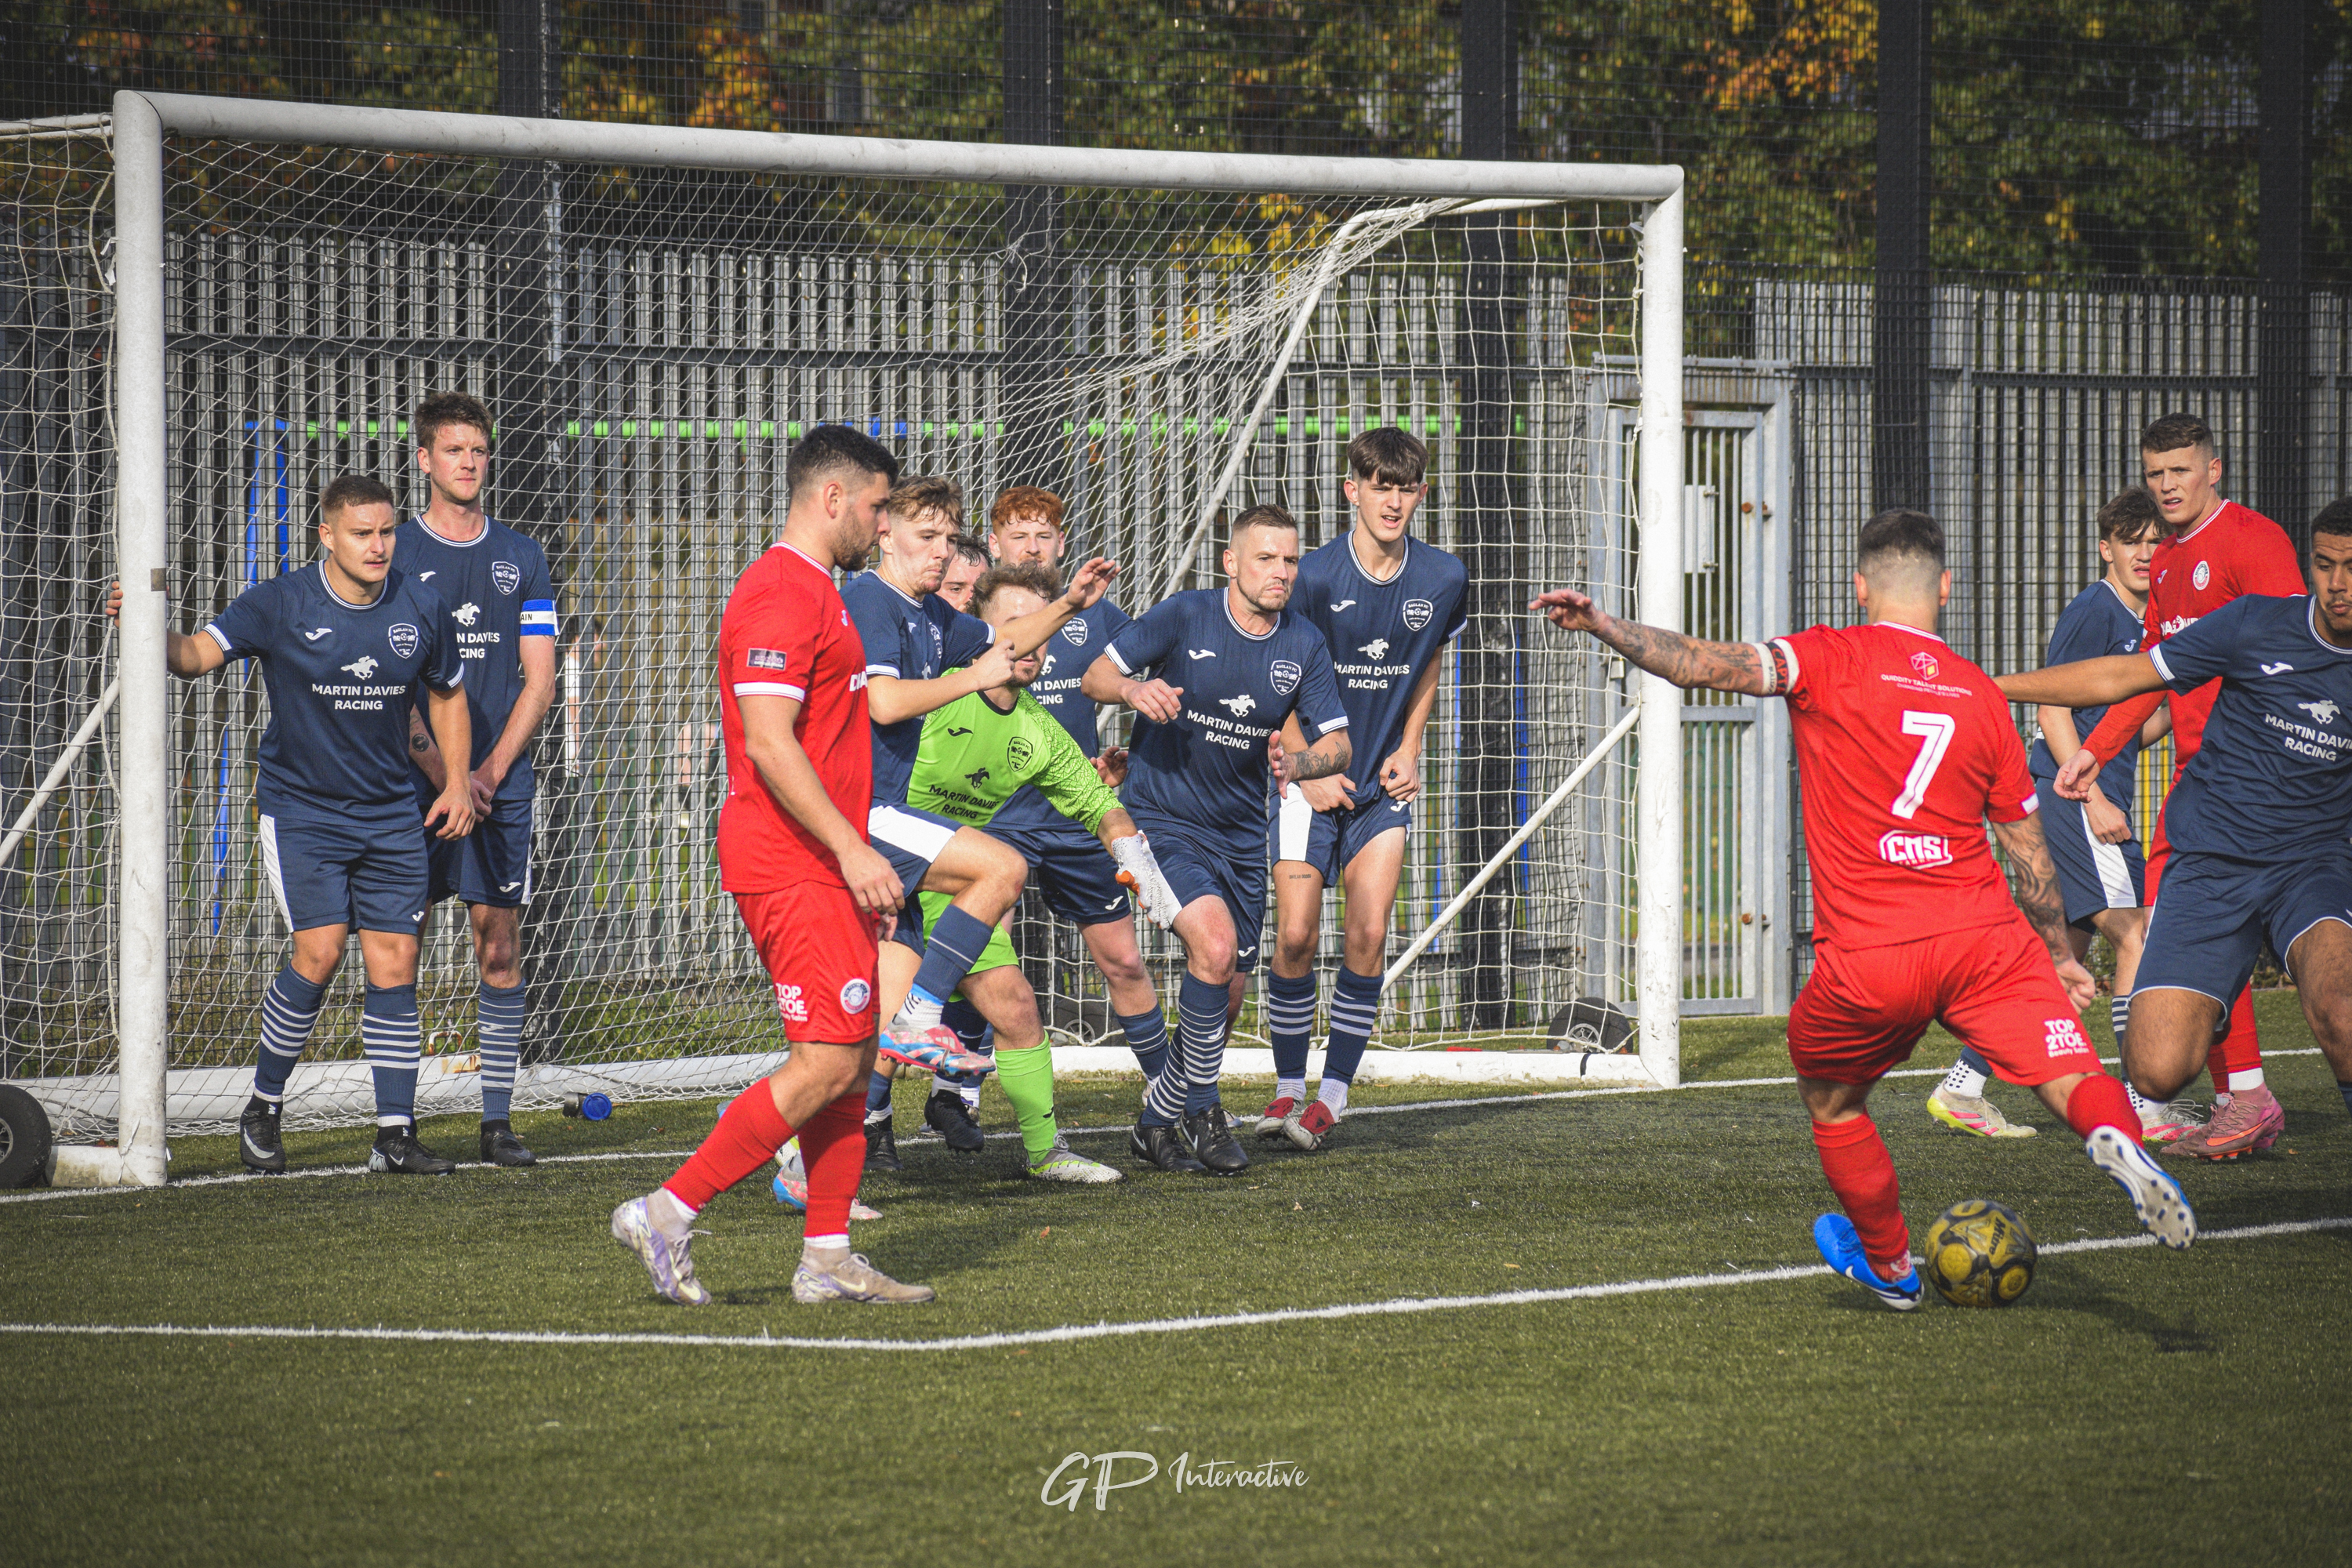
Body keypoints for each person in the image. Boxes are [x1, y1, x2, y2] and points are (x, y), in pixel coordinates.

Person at [1534, 508, 2194, 1311]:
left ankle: (1889, 1266)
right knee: (2069, 1072)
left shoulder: (1828, 656)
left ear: (1860, 585)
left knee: (1833, 1099)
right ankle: (2118, 1135)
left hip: (1873, 951)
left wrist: (1604, 621)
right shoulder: (1980, 694)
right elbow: (2028, 852)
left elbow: (1705, 664)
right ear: (1945, 589)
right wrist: (2057, 951)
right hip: (1982, 936)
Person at [610, 424, 942, 1308]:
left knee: (854, 1048)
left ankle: (826, 1253)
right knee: (830, 1060)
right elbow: (766, 741)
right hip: (790, 861)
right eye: (875, 506)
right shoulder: (781, 593)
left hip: (821, 861)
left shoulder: (821, 592)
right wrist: (851, 847)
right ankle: (667, 1209)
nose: (881, 525)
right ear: (831, 497)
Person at [109, 475, 474, 1174]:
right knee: (322, 951)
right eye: (362, 533)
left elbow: (448, 694)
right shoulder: (279, 603)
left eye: (387, 531)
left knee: (397, 964)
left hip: (393, 813)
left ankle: (395, 1134)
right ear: (326, 535)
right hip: (302, 811)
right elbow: (192, 658)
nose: (378, 545)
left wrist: (456, 781)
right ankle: (263, 1106)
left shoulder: (421, 604)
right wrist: (146, 626)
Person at [2008, 500, 2352, 1142]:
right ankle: (2224, 1033)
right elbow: (2129, 678)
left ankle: (2245, 1089)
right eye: (2326, 565)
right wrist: (1993, 687)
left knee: (2341, 1011)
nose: (2338, 584)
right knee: (2155, 1071)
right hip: (2209, 859)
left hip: (2309, 866)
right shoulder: (2252, 622)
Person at [843, 477, 1116, 1171]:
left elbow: (1009, 639)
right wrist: (972, 674)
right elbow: (882, 705)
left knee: (885, 1019)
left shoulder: (937, 620)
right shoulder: (874, 603)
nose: (941, 553)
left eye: (948, 538)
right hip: (864, 815)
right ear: (885, 534)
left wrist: (1069, 604)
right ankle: (920, 1028)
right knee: (1003, 866)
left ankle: (804, 1156)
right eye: (926, 537)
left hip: (906, 840)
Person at [2056, 414, 2306, 1159]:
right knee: (2185, 934)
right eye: (2156, 472)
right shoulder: (2164, 564)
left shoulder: (2255, 543)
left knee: (2231, 938)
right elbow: (2154, 674)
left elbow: (2300, 649)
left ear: (2214, 470)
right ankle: (2244, 1096)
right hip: (2204, 782)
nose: (2167, 485)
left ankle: (2245, 1097)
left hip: (2259, 779)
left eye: (2181, 471)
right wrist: (2097, 752)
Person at [1082, 504, 1352, 1175]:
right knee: (1215, 944)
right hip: (1159, 823)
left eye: (1291, 560)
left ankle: (1154, 1121)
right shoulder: (1185, 615)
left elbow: (1340, 744)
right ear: (1231, 562)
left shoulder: (1304, 645)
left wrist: (1300, 764)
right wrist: (1133, 692)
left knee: (1227, 990)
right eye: (1266, 558)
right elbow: (1095, 675)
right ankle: (1203, 1111)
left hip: (1239, 838)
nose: (1281, 572)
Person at [899, 560, 1184, 1182]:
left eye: (1044, 629)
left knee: (1019, 1009)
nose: (1033, 642)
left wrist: (1146, 875)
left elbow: (1099, 805)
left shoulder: (1039, 730)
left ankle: (1045, 1152)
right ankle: (821, 1145)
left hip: (951, 890)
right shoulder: (937, 691)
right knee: (858, 1036)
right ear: (981, 631)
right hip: (882, 874)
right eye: (1016, 625)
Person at [1927, 488, 2187, 1140]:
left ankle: (1962, 1087)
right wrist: (2093, 798)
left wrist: (2179, 712)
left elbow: (2126, 727)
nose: (2145, 555)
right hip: (2076, 803)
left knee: (2052, 970)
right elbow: (2052, 707)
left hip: (2082, 799)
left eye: (2156, 543)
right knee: (2138, 935)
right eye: (2132, 542)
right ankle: (2143, 1104)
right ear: (2106, 548)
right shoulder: (2095, 610)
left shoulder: (2146, 621)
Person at [1262, 427, 1466, 1151]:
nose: (1393, 500)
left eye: (1406, 487)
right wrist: (1304, 768)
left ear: (1420, 494)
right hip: (1309, 781)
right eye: (1379, 484)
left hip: (1383, 787)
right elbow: (1277, 674)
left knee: (1370, 932)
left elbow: (1428, 662)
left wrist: (1412, 747)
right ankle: (1286, 1087)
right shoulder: (1311, 576)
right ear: (1352, 489)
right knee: (1294, 935)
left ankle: (1331, 1098)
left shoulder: (1443, 577)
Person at [971, 485, 1174, 1114]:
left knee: (1122, 960)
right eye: (1017, 536)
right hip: (994, 816)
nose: (1031, 549)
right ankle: (956, 1092)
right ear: (993, 545)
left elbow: (1149, 679)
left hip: (1075, 811)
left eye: (1043, 537)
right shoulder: (972, 618)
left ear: (1061, 545)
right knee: (983, 951)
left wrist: (1128, 756)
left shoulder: (1100, 619)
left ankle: (1176, 1093)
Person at [396, 392, 559, 1168]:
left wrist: (486, 773)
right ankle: (399, 1127)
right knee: (404, 947)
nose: (469, 462)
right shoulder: (390, 550)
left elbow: (539, 680)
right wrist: (448, 776)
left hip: (500, 784)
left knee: (498, 946)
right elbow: (393, 687)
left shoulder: (522, 555)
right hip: (416, 785)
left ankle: (497, 1121)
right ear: (424, 459)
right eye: (454, 450)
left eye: (479, 450)